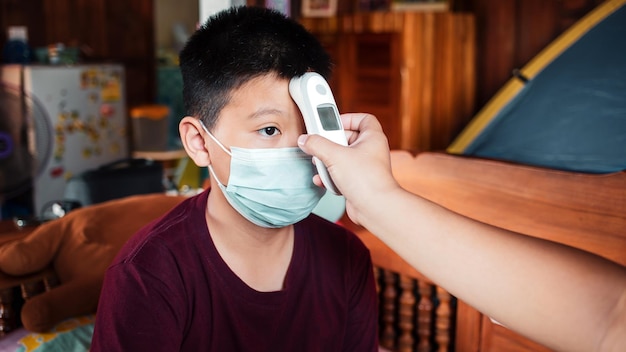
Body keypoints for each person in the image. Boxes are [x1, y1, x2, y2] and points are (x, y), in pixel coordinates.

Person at [90, 7, 378, 351]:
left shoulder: (347, 258)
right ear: (199, 142)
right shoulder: (147, 274)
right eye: (269, 129)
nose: (304, 148)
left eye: (310, 129)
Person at [297, 112, 626, 352]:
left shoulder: (346, 256)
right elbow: (608, 313)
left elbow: (609, 316)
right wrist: (374, 199)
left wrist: (375, 200)